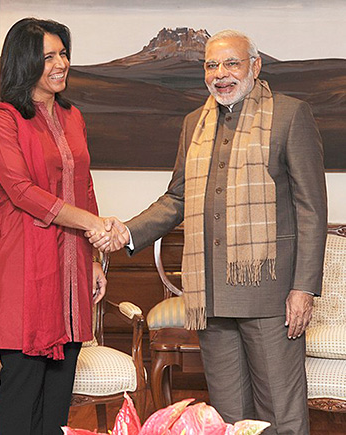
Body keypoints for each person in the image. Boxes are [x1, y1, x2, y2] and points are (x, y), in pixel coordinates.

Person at [87, 30, 328, 434]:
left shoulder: (290, 115)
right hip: (210, 297)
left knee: (281, 415)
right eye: (211, 65)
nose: (221, 74)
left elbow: (311, 210)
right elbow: (177, 199)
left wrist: (303, 289)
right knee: (230, 416)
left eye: (231, 63)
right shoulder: (193, 123)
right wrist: (125, 232)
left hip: (271, 295)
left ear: (255, 65)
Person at [0, 17, 123, 435]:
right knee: (21, 392)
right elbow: (22, 191)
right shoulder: (4, 119)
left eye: (63, 53)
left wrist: (92, 261)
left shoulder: (72, 116)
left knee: (56, 401)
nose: (60, 64)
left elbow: (83, 187)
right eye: (47, 56)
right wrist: (93, 223)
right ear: (24, 62)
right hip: (22, 272)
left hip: (69, 273)